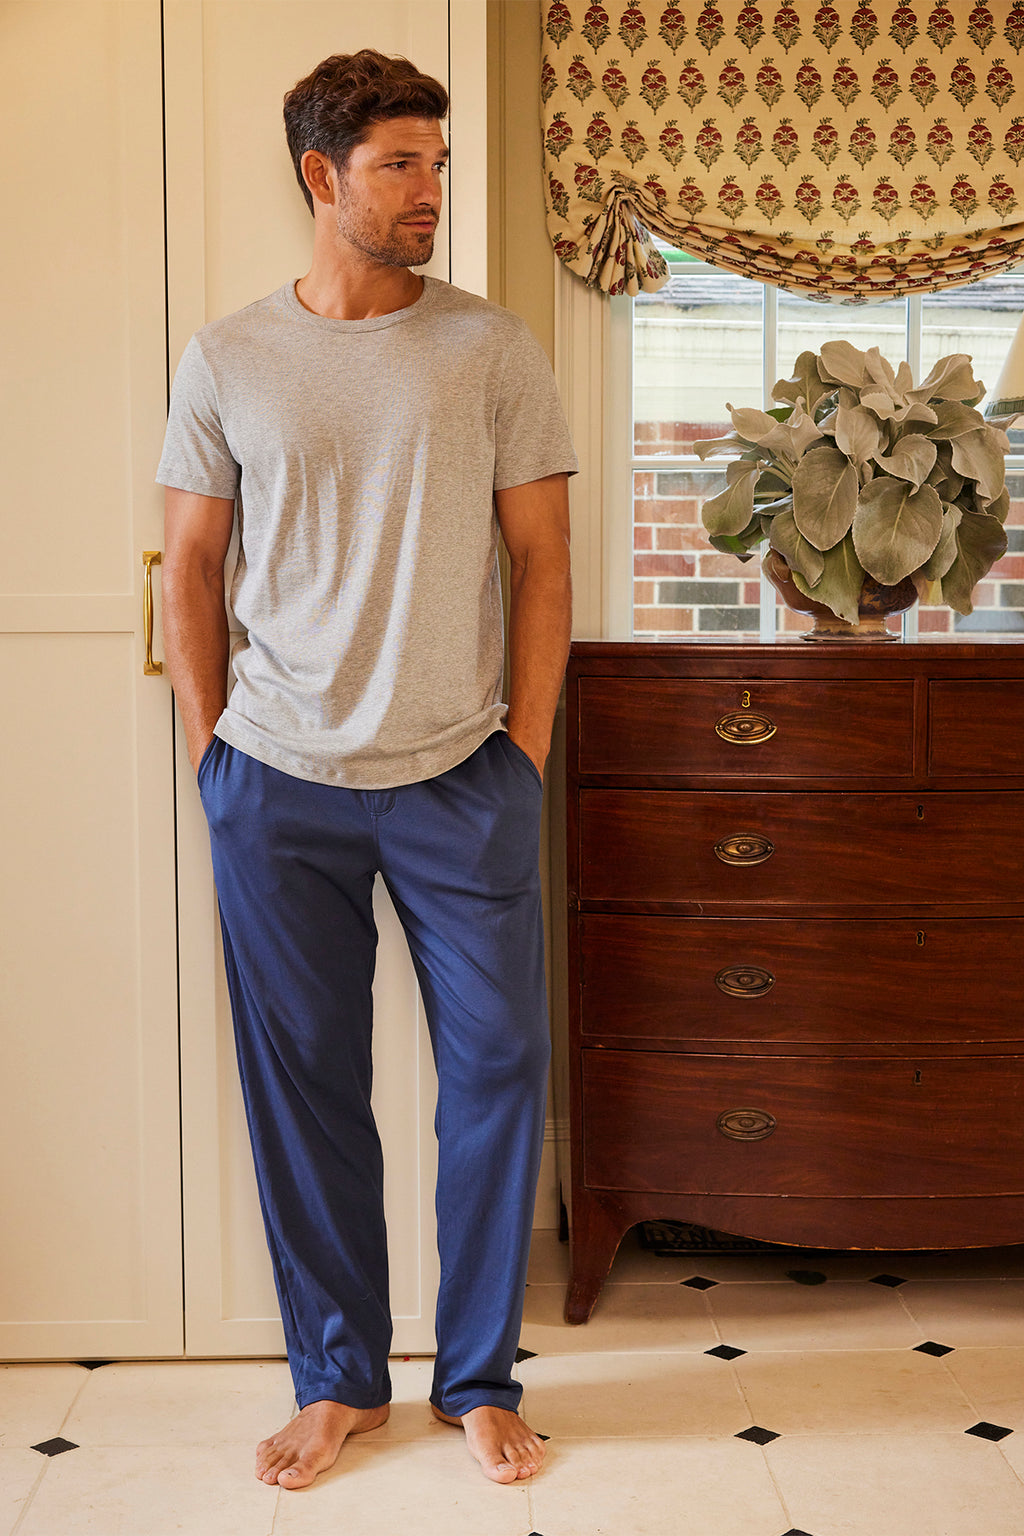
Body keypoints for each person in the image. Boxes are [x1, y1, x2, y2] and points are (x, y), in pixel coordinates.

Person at [157, 49, 576, 1491]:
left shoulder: (494, 349)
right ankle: (340, 1379)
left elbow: (543, 567)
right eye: (401, 165)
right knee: (307, 1088)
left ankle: (478, 1378)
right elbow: (192, 569)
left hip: (463, 775)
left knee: (501, 1069)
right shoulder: (225, 358)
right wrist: (216, 757)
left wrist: (521, 755)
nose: (430, 193)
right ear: (320, 177)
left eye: (438, 164)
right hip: (277, 783)